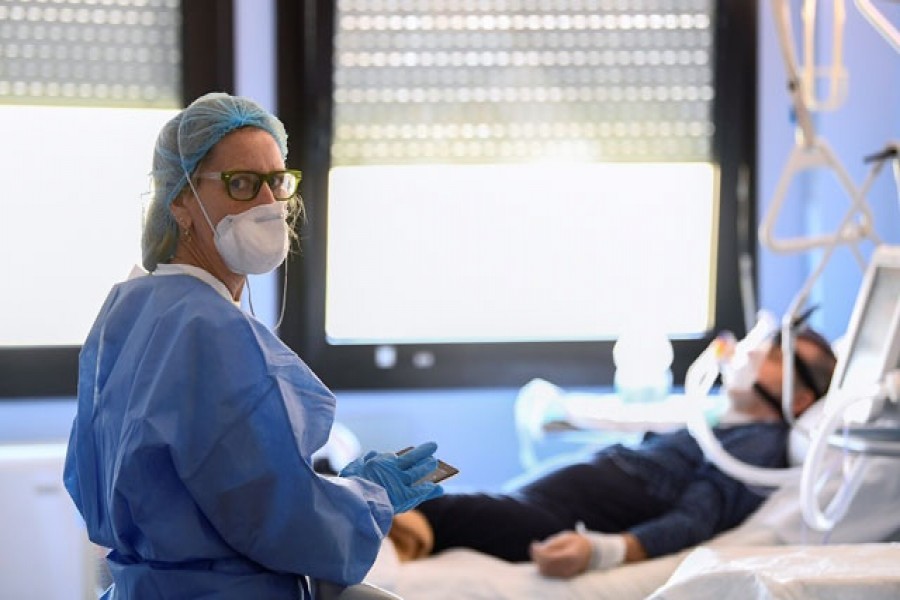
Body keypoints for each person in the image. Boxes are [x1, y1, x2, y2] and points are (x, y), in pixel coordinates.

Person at [63, 92, 443, 599]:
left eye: (276, 182)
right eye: (241, 184)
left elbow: (91, 480)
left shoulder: (129, 309)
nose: (268, 205)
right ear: (179, 200)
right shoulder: (212, 331)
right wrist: (368, 496)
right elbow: (283, 522)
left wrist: (337, 490)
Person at [389, 325, 837, 578]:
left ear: (800, 400)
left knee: (435, 507)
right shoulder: (721, 419)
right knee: (427, 484)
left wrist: (603, 551)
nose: (754, 352)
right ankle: (350, 489)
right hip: (545, 499)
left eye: (776, 355)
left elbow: (695, 519)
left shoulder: (755, 448)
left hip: (555, 520)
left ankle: (350, 502)